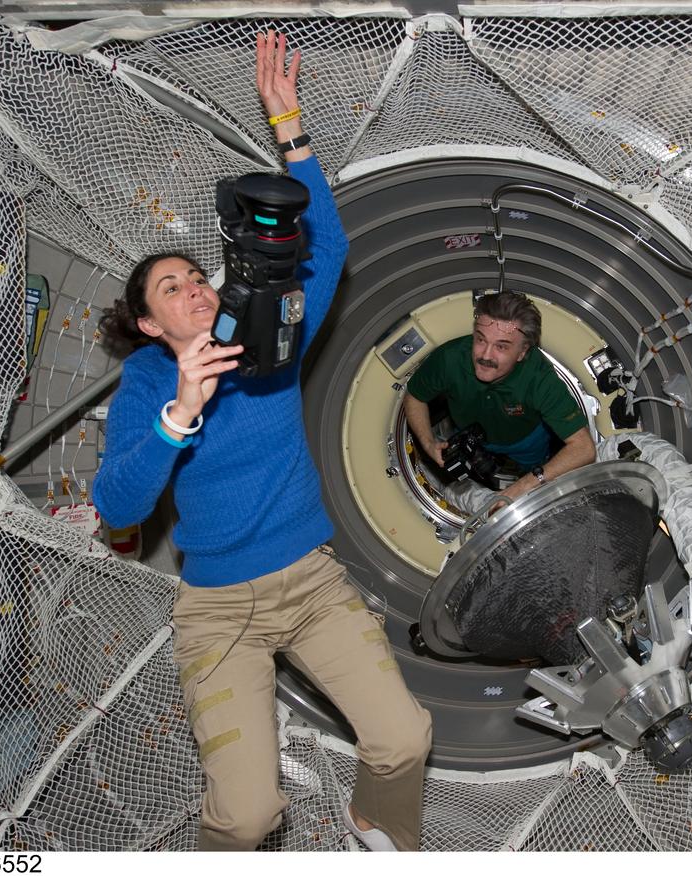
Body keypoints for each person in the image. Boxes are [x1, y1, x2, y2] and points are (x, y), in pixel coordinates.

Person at [93, 31, 431, 853]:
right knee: (248, 816)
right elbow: (116, 506)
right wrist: (179, 413)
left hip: (311, 584)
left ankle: (369, 833)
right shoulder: (146, 385)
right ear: (148, 324)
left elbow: (334, 250)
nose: (195, 288)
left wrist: (289, 124)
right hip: (218, 615)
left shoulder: (265, 336)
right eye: (172, 288)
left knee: (405, 739)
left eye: (198, 275)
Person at [404, 291, 596, 503]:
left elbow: (584, 448)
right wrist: (428, 443)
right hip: (468, 431)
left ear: (523, 352)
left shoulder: (539, 379)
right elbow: (414, 397)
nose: (485, 355)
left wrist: (520, 487)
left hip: (526, 441)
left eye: (501, 346)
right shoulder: (449, 359)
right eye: (480, 339)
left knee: (535, 467)